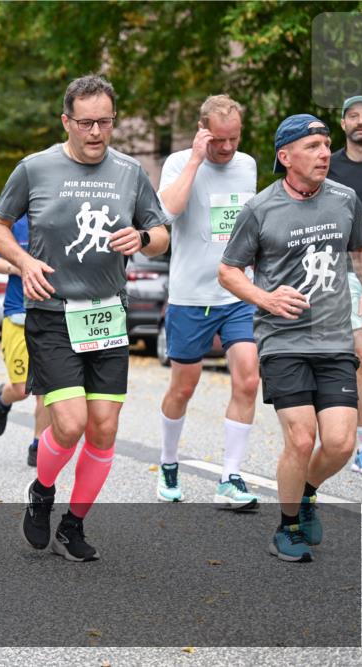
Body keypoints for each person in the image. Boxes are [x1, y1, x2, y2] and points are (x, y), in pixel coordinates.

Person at [0, 75, 169, 562]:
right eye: (86, 123)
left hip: (107, 314)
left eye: (105, 122)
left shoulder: (130, 171)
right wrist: (23, 261)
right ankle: (42, 490)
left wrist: (143, 239)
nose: (96, 132)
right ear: (65, 121)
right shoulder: (34, 168)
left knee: (104, 427)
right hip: (51, 311)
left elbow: (160, 232)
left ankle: (73, 524)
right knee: (69, 424)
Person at [219, 113, 362, 562]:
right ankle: (287, 527)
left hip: (334, 338)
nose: (325, 153)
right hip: (283, 340)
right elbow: (228, 270)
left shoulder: (344, 199)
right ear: (285, 157)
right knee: (302, 438)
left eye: (326, 145)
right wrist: (264, 298)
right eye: (313, 147)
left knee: (341, 443)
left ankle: (306, 490)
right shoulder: (260, 209)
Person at [154, 95, 261, 508]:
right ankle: (168, 462)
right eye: (219, 139)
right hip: (190, 295)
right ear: (202, 132)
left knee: (248, 378)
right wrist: (197, 161)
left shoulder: (247, 165)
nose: (228, 147)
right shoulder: (179, 163)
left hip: (237, 292)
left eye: (234, 138)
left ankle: (230, 478)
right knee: (184, 387)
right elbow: (166, 212)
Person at [327, 95, 362, 475]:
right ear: (344, 124)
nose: (360, 121)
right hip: (345, 270)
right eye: (353, 116)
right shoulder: (329, 167)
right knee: (361, 355)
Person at [0, 215, 51, 467]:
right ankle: (3, 399)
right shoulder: (14, 221)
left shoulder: (60, 217)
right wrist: (17, 267)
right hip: (18, 314)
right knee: (23, 388)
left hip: (51, 315)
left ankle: (38, 445)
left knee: (46, 387)